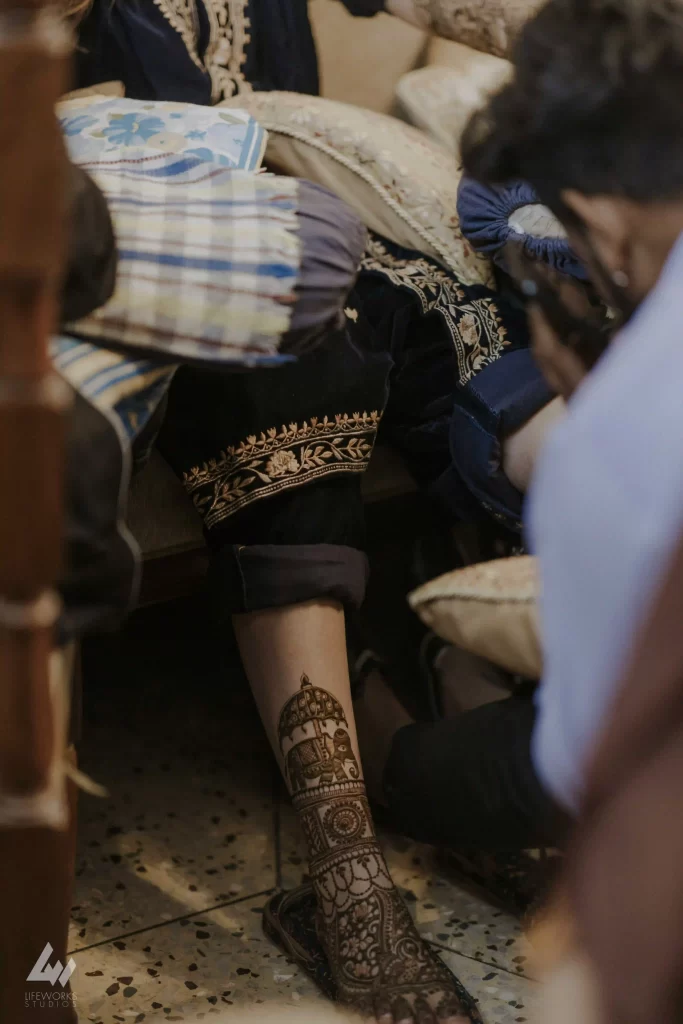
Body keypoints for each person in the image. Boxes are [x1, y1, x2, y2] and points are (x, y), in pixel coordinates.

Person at [69, 4, 559, 1021]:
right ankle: (343, 873)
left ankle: (468, 770)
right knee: (296, 350)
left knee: (455, 308)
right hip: (161, 253)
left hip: (315, 215)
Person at [357, 0, 683, 864]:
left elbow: (589, 767)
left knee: (441, 775)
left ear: (600, 228)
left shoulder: (615, 435)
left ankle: (377, 721)